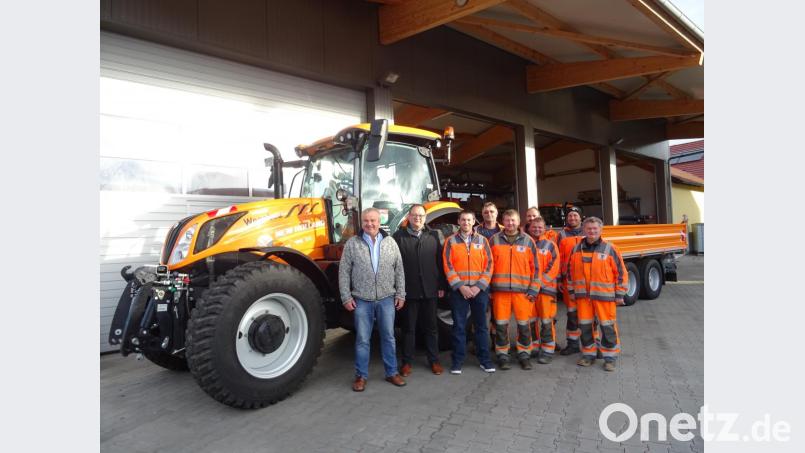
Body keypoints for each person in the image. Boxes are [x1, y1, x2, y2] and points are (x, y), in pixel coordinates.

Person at [339, 208, 407, 391]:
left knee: (389, 337)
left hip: (386, 299)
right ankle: (361, 376)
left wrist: (400, 294)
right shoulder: (353, 243)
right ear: (361, 222)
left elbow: (399, 270)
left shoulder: (390, 242)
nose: (369, 224)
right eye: (366, 221)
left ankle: (391, 372)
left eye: (373, 220)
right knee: (362, 339)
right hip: (362, 299)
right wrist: (346, 296)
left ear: (379, 222)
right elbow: (344, 271)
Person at [567, 217, 628, 371]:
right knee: (585, 327)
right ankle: (588, 355)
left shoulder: (610, 248)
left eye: (595, 228)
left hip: (604, 297)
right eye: (589, 228)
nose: (592, 231)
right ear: (584, 230)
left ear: (601, 230)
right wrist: (572, 291)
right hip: (583, 297)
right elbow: (569, 272)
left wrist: (620, 294)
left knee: (607, 327)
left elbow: (621, 273)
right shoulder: (576, 249)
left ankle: (610, 358)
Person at [392, 204, 447, 377]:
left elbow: (440, 262)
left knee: (431, 328)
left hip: (430, 289)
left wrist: (441, 285)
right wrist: (397, 289)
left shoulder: (434, 235)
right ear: (409, 217)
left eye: (421, 215)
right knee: (409, 328)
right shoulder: (398, 237)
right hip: (409, 290)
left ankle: (434, 361)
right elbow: (394, 265)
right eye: (415, 215)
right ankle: (407, 362)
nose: (418, 218)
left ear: (425, 218)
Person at [443, 210, 496, 375]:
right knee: (459, 327)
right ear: (458, 222)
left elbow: (489, 265)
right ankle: (457, 361)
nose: (466, 222)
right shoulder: (450, 241)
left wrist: (478, 286)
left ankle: (485, 360)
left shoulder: (483, 240)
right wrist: (461, 286)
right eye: (463, 220)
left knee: (481, 327)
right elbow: (447, 265)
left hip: (479, 290)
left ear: (474, 222)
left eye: (469, 220)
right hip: (459, 291)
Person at [489, 210, 541, 370]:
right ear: (502, 222)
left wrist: (534, 289)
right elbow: (487, 265)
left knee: (524, 326)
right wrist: (488, 288)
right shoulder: (494, 240)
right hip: (500, 292)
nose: (510, 223)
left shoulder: (528, 241)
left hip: (522, 293)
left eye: (513, 220)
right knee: (500, 326)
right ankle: (502, 355)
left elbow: (536, 268)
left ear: (519, 222)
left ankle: (524, 355)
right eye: (507, 220)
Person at [525, 217, 560, 364]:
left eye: (540, 227)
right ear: (529, 228)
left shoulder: (551, 245)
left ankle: (547, 350)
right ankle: (533, 347)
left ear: (545, 229)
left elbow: (554, 267)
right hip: (528, 291)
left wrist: (538, 284)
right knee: (531, 321)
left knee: (546, 321)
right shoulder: (525, 243)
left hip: (546, 290)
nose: (537, 229)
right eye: (534, 227)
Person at [556, 206, 585, 355]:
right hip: (569, 281)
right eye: (570, 216)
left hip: (587, 281)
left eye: (575, 215)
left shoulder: (588, 232)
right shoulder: (561, 235)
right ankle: (573, 345)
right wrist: (559, 279)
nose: (572, 218)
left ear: (581, 217)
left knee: (589, 315)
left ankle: (593, 345)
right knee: (572, 314)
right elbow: (558, 258)